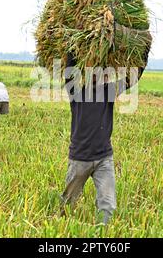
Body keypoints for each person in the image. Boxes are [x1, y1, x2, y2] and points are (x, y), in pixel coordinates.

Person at [60, 52, 148, 225]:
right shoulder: (76, 92)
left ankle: (102, 233)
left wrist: (143, 53)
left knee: (107, 204)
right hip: (80, 158)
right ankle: (62, 228)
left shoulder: (108, 90)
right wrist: (73, 46)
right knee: (68, 203)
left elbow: (133, 78)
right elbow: (69, 71)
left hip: (104, 158)